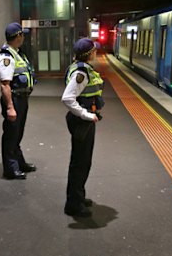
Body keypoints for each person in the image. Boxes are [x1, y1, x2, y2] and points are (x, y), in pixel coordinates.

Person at [61, 38, 104, 217]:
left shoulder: (79, 67)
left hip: (83, 121)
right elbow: (67, 98)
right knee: (80, 162)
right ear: (89, 53)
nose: (96, 53)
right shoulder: (81, 73)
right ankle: (73, 204)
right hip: (82, 122)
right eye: (94, 50)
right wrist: (86, 115)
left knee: (82, 161)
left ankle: (78, 197)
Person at [0, 22, 37, 179]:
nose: (24, 37)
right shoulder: (6, 57)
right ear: (18, 36)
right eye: (22, 34)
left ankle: (19, 162)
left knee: (17, 134)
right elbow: (5, 85)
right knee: (11, 135)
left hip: (22, 99)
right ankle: (11, 169)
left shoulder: (17, 53)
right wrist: (10, 107)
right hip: (14, 100)